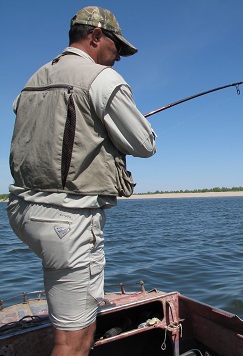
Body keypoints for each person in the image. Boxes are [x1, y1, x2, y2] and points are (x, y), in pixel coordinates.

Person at [7, 6, 156, 355]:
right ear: (95, 36)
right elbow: (145, 145)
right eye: (116, 45)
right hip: (66, 221)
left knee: (74, 317)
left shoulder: (33, 79)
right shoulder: (102, 79)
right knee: (72, 341)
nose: (118, 55)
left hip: (22, 213)